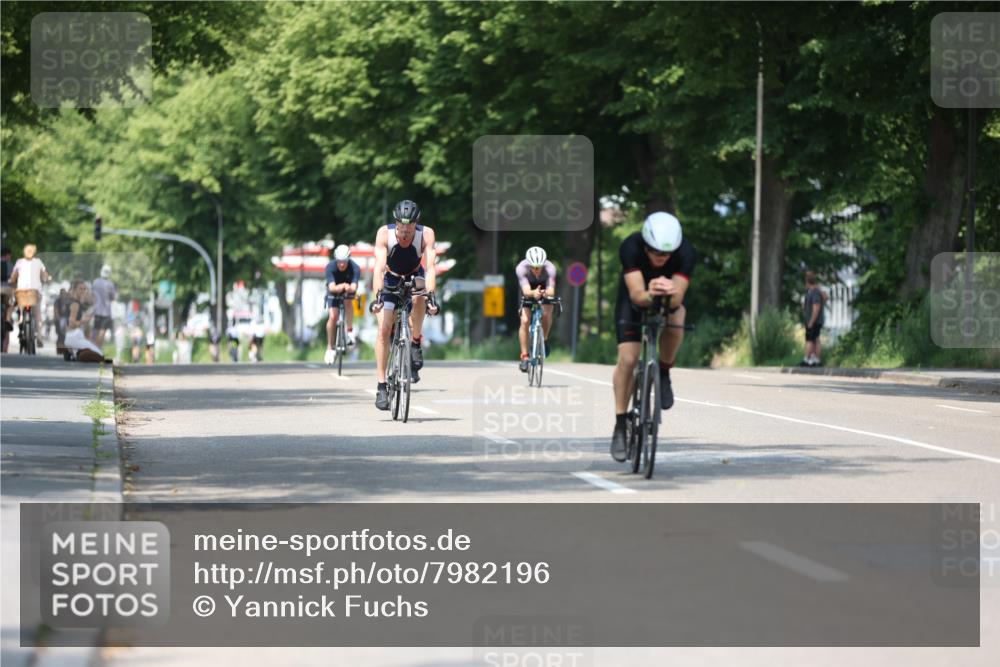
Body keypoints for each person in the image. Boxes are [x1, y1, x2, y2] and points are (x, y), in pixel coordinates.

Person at [610, 212, 695, 462]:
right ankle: (620, 424)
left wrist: (670, 294)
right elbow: (636, 294)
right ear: (646, 246)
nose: (662, 259)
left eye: (667, 255)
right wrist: (651, 293)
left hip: (668, 298)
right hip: (634, 299)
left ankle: (665, 371)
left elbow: (678, 299)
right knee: (628, 358)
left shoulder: (686, 253)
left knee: (678, 317)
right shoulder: (631, 247)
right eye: (657, 253)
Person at [370, 199, 439, 409]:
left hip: (414, 275)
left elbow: (430, 268)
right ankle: (382, 386)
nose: (405, 230)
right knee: (384, 329)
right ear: (396, 222)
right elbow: (379, 268)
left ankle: (416, 342)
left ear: (416, 223)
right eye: (401, 224)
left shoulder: (426, 234)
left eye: (409, 225)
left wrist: (432, 297)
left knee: (420, 297)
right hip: (390, 278)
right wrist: (378, 297)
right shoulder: (384, 234)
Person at [516, 246, 558, 372]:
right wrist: (534, 293)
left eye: (539, 267)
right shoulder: (521, 269)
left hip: (544, 288)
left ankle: (544, 339)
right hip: (529, 289)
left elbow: (551, 290)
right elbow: (526, 290)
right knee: (524, 321)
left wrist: (545, 293)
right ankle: (524, 356)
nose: (536, 270)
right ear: (528, 265)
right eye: (533, 267)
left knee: (547, 313)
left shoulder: (550, 268)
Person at [324, 244, 361, 365]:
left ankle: (349, 331)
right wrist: (340, 287)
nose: (342, 264)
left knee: (348, 301)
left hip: (348, 290)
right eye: (339, 261)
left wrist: (348, 287)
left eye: (344, 261)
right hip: (334, 291)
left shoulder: (355, 267)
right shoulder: (330, 267)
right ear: (336, 259)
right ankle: (329, 347)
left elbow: (355, 286)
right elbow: (331, 287)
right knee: (333, 317)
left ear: (348, 259)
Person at [9, 244, 50, 348]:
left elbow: (13, 276)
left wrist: (12, 280)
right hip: (34, 292)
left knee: (21, 302)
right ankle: (39, 337)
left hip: (22, 291)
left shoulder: (19, 262)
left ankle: (22, 318)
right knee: (38, 315)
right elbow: (45, 275)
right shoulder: (38, 262)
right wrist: (47, 278)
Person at [64, 280, 108, 362]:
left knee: (95, 351)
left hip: (73, 336)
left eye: (84, 289)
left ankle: (75, 352)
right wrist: (84, 320)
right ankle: (77, 354)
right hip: (73, 336)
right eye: (80, 289)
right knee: (100, 356)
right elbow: (71, 323)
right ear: (74, 290)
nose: (83, 291)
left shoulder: (74, 302)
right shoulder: (75, 304)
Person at [801, 271, 827, 367]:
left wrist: (811, 321)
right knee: (815, 339)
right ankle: (814, 359)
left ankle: (807, 359)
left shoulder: (815, 292)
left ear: (807, 282)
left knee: (810, 340)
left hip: (814, 321)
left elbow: (816, 307)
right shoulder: (810, 292)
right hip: (813, 320)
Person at [91, 264, 117, 349]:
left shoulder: (95, 282)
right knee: (102, 330)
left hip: (96, 310)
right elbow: (113, 298)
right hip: (106, 312)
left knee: (95, 329)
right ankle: (98, 349)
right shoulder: (110, 284)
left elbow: (92, 295)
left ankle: (92, 347)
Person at [1, 246, 13, 353]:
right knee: (10, 304)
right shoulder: (9, 265)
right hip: (5, 290)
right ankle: (8, 319)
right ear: (8, 255)